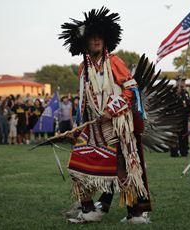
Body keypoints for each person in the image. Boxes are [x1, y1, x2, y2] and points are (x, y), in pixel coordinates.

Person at [59, 7, 151, 224]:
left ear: (106, 38)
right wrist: (80, 126)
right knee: (77, 168)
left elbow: (131, 88)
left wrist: (112, 109)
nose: (97, 40)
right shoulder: (83, 68)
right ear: (85, 42)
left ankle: (135, 213)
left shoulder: (114, 62)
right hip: (94, 126)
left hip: (117, 124)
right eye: (92, 37)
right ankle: (89, 210)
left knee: (123, 168)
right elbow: (85, 102)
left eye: (100, 36)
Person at [170, 76, 190, 157]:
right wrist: (176, 94)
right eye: (181, 81)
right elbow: (170, 104)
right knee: (174, 135)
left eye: (184, 81)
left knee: (184, 135)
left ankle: (184, 151)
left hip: (184, 117)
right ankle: (174, 152)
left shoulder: (185, 92)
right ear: (177, 82)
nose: (183, 83)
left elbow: (188, 104)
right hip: (175, 117)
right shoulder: (172, 91)